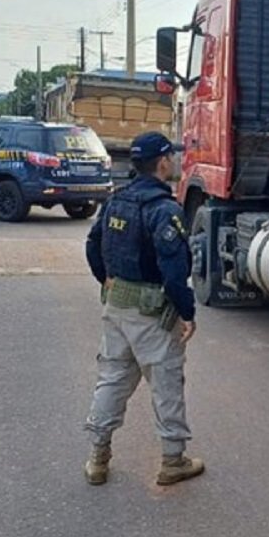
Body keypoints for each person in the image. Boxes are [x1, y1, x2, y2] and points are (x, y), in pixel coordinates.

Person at [82, 131, 203, 486]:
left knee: (112, 380)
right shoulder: (164, 210)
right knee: (166, 385)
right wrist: (187, 312)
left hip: (116, 307)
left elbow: (93, 245)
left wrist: (105, 278)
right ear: (163, 162)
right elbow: (174, 272)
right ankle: (173, 461)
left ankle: (97, 459)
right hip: (152, 315)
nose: (177, 161)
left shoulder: (116, 201)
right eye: (173, 157)